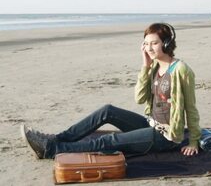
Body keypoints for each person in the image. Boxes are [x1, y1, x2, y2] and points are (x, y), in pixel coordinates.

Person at [20, 23, 201, 159]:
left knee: (109, 141)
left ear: (167, 43)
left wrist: (193, 142)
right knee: (107, 111)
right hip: (151, 123)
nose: (149, 48)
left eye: (154, 43)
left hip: (166, 137)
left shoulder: (181, 70)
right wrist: (145, 67)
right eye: (146, 44)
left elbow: (191, 108)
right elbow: (140, 98)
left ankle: (51, 150)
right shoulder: (153, 67)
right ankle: (56, 139)